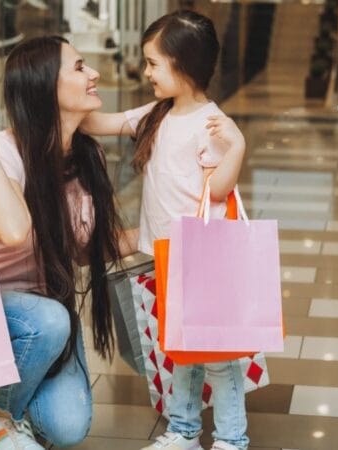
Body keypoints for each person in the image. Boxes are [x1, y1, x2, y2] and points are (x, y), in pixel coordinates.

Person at [0, 36, 138, 450]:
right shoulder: (6, 152)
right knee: (50, 321)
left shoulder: (87, 156)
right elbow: (12, 231)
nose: (94, 73)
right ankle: (0, 420)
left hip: (45, 312)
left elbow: (83, 252)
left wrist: (157, 231)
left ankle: (17, 408)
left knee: (68, 428)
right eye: (80, 67)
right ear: (46, 87)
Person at [81, 10, 249, 450]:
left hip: (201, 259)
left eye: (154, 63)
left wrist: (238, 146)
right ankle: (185, 430)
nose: (147, 71)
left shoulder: (210, 123)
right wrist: (67, 101)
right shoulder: (158, 113)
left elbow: (220, 190)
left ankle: (232, 439)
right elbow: (105, 124)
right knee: (180, 348)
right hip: (166, 256)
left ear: (184, 63)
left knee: (217, 355)